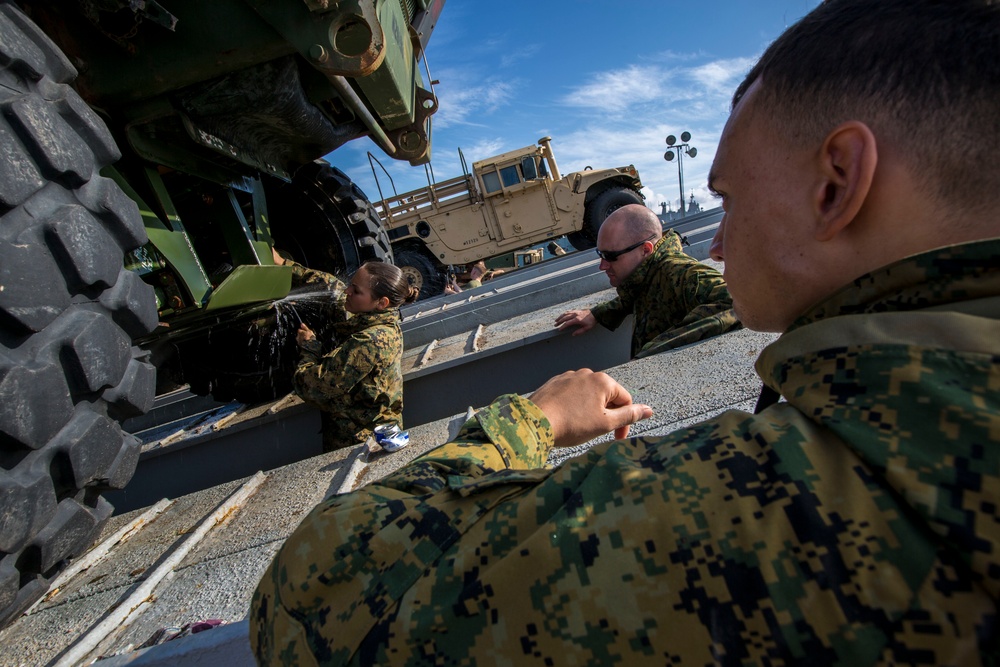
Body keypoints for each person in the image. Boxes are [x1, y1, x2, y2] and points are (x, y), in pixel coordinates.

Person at [251, 1, 1000, 663]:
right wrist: (605, 312)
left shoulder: (773, 502)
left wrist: (527, 419)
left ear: (836, 183)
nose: (713, 241)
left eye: (730, 199)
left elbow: (311, 590)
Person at [272, 249, 418, 451]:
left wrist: (309, 347)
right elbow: (331, 286)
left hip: (360, 444)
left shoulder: (370, 341)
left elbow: (313, 387)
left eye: (356, 291)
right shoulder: (377, 317)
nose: (347, 291)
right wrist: (283, 264)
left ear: (381, 303)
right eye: (351, 284)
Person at [555, 204, 740, 357]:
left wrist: (655, 351)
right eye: (600, 255)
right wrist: (598, 313)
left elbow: (733, 303)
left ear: (645, 249)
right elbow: (638, 290)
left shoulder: (681, 272)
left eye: (610, 256)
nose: (602, 266)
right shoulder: (647, 273)